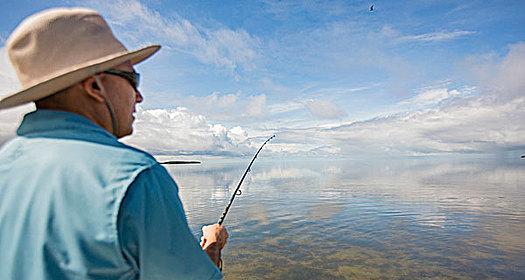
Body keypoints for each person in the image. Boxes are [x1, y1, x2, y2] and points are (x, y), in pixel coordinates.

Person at [0, 7, 228, 279]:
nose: (139, 97)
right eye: (133, 79)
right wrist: (212, 247)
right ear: (94, 86)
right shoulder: (135, 176)